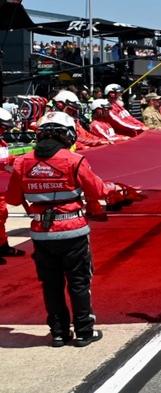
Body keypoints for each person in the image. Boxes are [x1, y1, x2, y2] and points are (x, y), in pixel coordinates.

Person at [4, 111, 122, 347]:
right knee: (78, 282)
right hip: (73, 231)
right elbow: (98, 191)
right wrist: (113, 187)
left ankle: (58, 333)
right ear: (67, 134)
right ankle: (84, 333)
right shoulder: (74, 160)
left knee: (51, 284)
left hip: (40, 233)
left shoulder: (22, 162)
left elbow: (14, 199)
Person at [0, 108, 27, 264]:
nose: (5, 129)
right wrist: (5, 166)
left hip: (2, 187)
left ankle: (2, 245)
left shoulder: (2, 142)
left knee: (2, 216)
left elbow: (6, 159)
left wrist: (18, 160)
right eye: (2, 126)